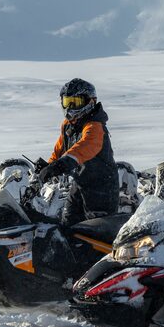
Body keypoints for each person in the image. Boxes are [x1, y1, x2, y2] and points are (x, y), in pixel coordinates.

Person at [35, 78, 120, 226]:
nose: (71, 107)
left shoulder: (95, 127)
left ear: (90, 101)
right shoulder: (68, 125)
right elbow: (59, 149)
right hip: (80, 184)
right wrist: (48, 166)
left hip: (101, 188)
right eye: (67, 102)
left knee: (95, 234)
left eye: (76, 102)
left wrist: (61, 165)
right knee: (67, 226)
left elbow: (83, 148)